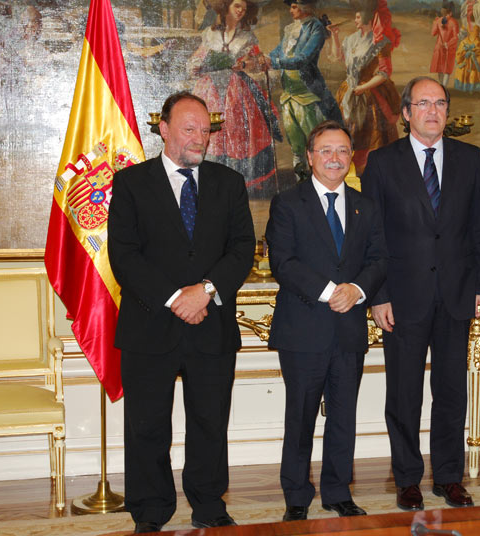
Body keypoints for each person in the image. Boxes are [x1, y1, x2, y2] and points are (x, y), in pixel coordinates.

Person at [108, 92, 255, 533]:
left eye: (205, 129)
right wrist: (177, 298)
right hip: (150, 325)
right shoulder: (132, 183)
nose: (200, 137)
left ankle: (209, 504)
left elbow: (242, 249)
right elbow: (125, 256)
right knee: (147, 426)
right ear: (164, 129)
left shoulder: (229, 184)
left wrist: (205, 291)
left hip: (211, 325)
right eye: (188, 128)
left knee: (210, 423)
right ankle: (150, 511)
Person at [360, 76, 480, 512]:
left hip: (457, 296)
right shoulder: (381, 163)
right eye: (423, 103)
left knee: (452, 391)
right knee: (404, 394)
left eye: (439, 103)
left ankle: (449, 478)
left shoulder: (472, 159)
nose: (432, 111)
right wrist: (378, 296)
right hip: (402, 298)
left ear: (447, 111)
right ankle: (408, 479)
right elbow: (373, 237)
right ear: (406, 113)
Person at [266, 120, 387, 522]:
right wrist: (329, 291)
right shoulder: (288, 203)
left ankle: (338, 492)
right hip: (303, 329)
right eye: (327, 151)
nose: (335, 158)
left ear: (350, 158)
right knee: (299, 418)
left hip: (349, 328)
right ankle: (297, 496)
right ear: (311, 157)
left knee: (344, 416)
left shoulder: (364, 205)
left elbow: (379, 259)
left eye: (342, 151)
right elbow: (282, 261)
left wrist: (357, 289)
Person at [188, 0, 282, 197]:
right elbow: (196, 60)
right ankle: (211, 181)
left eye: (244, 9)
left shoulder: (247, 37)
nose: (240, 11)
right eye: (237, 6)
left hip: (236, 92)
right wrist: (198, 65)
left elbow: (259, 62)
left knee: (235, 130)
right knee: (212, 132)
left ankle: (237, 182)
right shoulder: (209, 34)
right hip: (210, 90)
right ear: (225, 7)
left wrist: (246, 65)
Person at [268, 0, 343, 174]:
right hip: (289, 93)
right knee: (295, 143)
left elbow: (303, 58)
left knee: (314, 140)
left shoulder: (315, 28)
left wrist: (275, 62)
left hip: (307, 92)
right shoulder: (291, 29)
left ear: (305, 8)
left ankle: (320, 178)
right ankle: (300, 181)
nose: (291, 10)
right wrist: (263, 59)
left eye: (294, 7)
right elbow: (277, 52)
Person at [329, 0, 401, 174]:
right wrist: (335, 35)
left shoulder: (380, 41)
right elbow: (336, 57)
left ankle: (370, 172)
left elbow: (385, 72)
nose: (355, 20)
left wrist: (363, 88)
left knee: (369, 134)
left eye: (358, 16)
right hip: (349, 91)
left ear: (369, 19)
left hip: (369, 93)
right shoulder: (352, 39)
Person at [453, 0, 480, 93]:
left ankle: (468, 87)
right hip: (476, 46)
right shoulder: (479, 25)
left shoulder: (468, 24)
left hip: (469, 45)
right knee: (475, 68)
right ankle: (474, 88)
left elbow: (462, 35)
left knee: (470, 68)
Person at [429, 1, 458, 88]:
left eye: (443, 9)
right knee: (444, 69)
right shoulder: (451, 22)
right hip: (444, 48)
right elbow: (434, 33)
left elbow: (433, 33)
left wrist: (435, 23)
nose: (441, 10)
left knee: (443, 68)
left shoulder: (443, 21)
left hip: (444, 48)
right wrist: (448, 44)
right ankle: (443, 87)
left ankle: (443, 87)